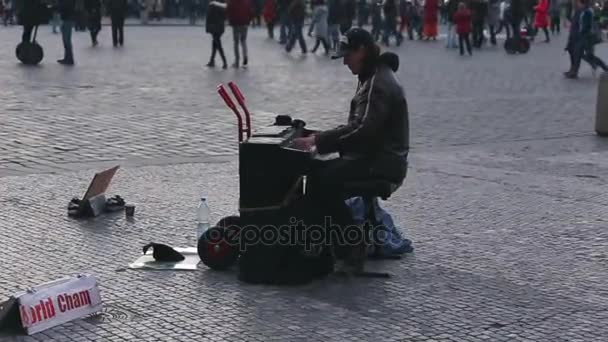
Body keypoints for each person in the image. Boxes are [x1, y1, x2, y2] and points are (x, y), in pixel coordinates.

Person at [292, 28, 409, 273]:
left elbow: (364, 130)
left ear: (362, 51)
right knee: (318, 172)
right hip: (376, 157)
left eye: (348, 55)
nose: (344, 61)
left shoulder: (377, 83)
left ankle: (347, 244)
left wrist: (318, 141)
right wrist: (318, 137)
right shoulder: (373, 75)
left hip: (382, 162)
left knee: (321, 179)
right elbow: (358, 126)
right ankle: (339, 241)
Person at [564, 0, 608, 78]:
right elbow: (574, 21)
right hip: (579, 36)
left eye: (578, 2)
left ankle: (603, 67)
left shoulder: (587, 11)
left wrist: (581, 32)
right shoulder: (579, 10)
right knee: (575, 52)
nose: (576, 3)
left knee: (587, 55)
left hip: (586, 37)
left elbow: (587, 25)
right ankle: (574, 71)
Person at [227, 0, 252, 67]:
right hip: (244, 24)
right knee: (243, 41)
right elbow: (250, 12)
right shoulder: (247, 1)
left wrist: (230, 21)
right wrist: (248, 21)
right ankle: (245, 56)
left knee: (236, 42)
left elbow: (228, 11)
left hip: (236, 24)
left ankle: (237, 61)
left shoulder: (232, 2)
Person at [206, 0, 228, 68]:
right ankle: (212, 60)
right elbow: (225, 17)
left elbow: (209, 17)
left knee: (218, 45)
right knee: (215, 44)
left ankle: (224, 62)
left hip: (214, 27)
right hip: (220, 27)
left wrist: (208, 28)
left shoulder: (212, 5)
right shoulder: (224, 4)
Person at [58, 0, 75, 65]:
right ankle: (67, 57)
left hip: (67, 19)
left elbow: (64, 7)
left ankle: (69, 58)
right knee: (65, 40)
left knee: (67, 40)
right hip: (66, 18)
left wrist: (57, 7)